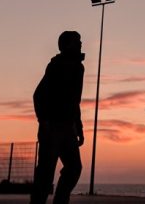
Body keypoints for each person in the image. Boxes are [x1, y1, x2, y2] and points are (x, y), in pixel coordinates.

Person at [30, 30, 85, 204]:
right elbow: (38, 95)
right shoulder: (56, 65)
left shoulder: (79, 67)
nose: (81, 43)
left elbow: (75, 101)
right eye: (78, 41)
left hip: (68, 127)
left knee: (74, 168)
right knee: (46, 173)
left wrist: (78, 127)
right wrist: (44, 121)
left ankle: (60, 200)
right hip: (52, 127)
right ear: (67, 44)